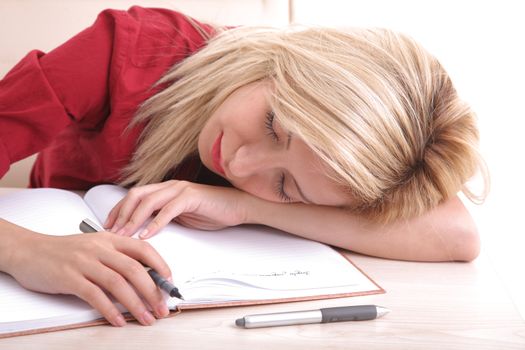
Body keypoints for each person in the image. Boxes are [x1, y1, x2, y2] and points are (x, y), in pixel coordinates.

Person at [0, 6, 488, 328]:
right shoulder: (129, 49)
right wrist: (25, 252)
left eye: (284, 185)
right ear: (291, 62)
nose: (239, 160)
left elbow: (457, 236)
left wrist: (241, 205)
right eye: (275, 124)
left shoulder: (351, 167)